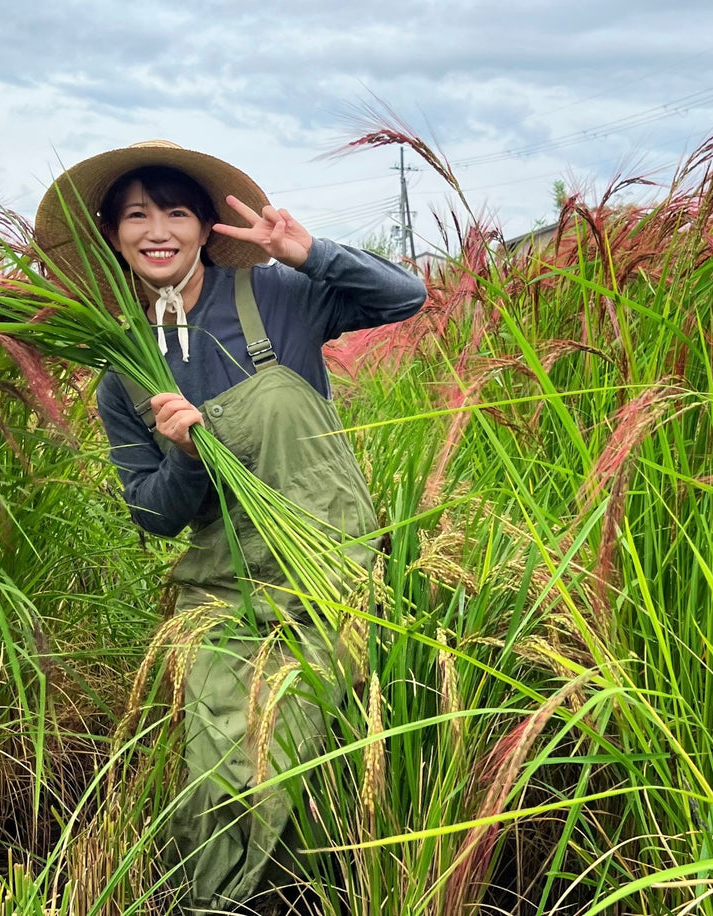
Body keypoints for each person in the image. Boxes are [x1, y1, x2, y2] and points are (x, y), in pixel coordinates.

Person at [34, 140, 427, 913]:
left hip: (332, 569)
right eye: (136, 215)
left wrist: (307, 250)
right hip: (225, 587)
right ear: (113, 235)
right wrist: (183, 457)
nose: (157, 230)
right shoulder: (124, 369)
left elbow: (404, 297)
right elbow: (150, 514)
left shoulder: (275, 294)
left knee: (313, 756)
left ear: (206, 225)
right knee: (220, 770)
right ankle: (227, 902)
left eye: (175, 212)